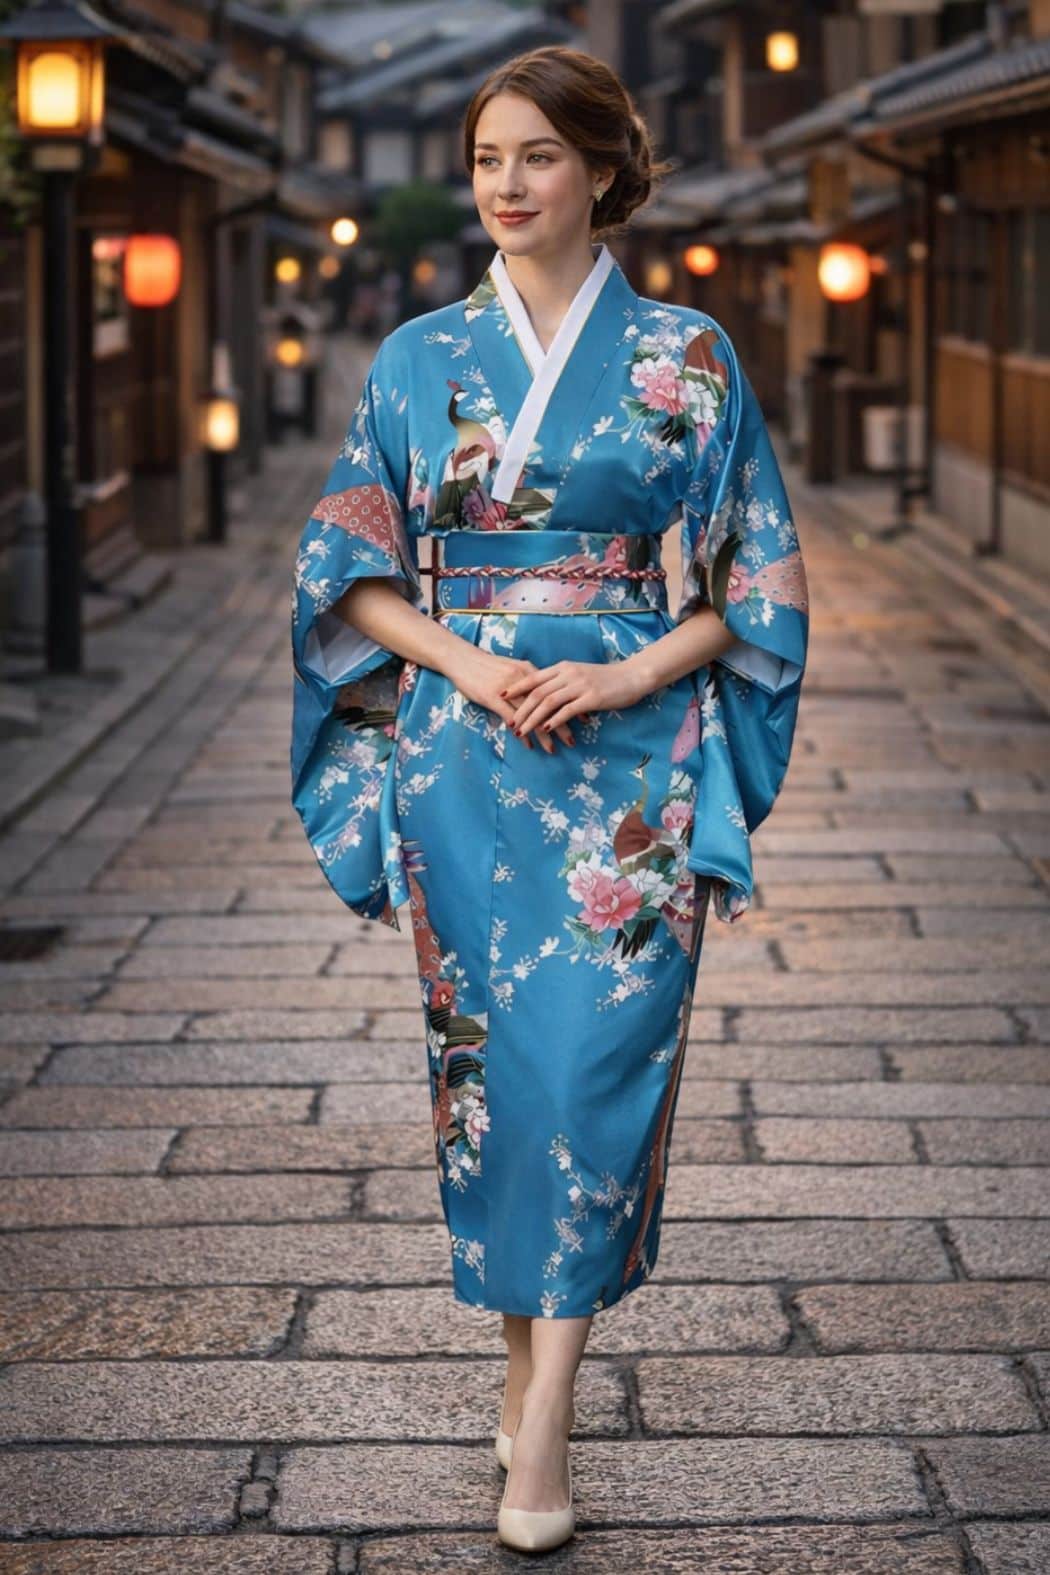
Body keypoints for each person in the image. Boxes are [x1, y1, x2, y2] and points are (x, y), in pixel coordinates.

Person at [291, 44, 809, 1555]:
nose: (506, 186)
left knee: (593, 1077)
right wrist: (469, 663)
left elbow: (753, 585)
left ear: (601, 169)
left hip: (628, 770)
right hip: (464, 761)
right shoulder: (416, 360)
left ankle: (547, 1425)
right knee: (498, 1083)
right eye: (485, 159)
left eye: (536, 156)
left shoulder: (689, 356)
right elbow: (345, 576)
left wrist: (626, 671)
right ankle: (525, 1376)